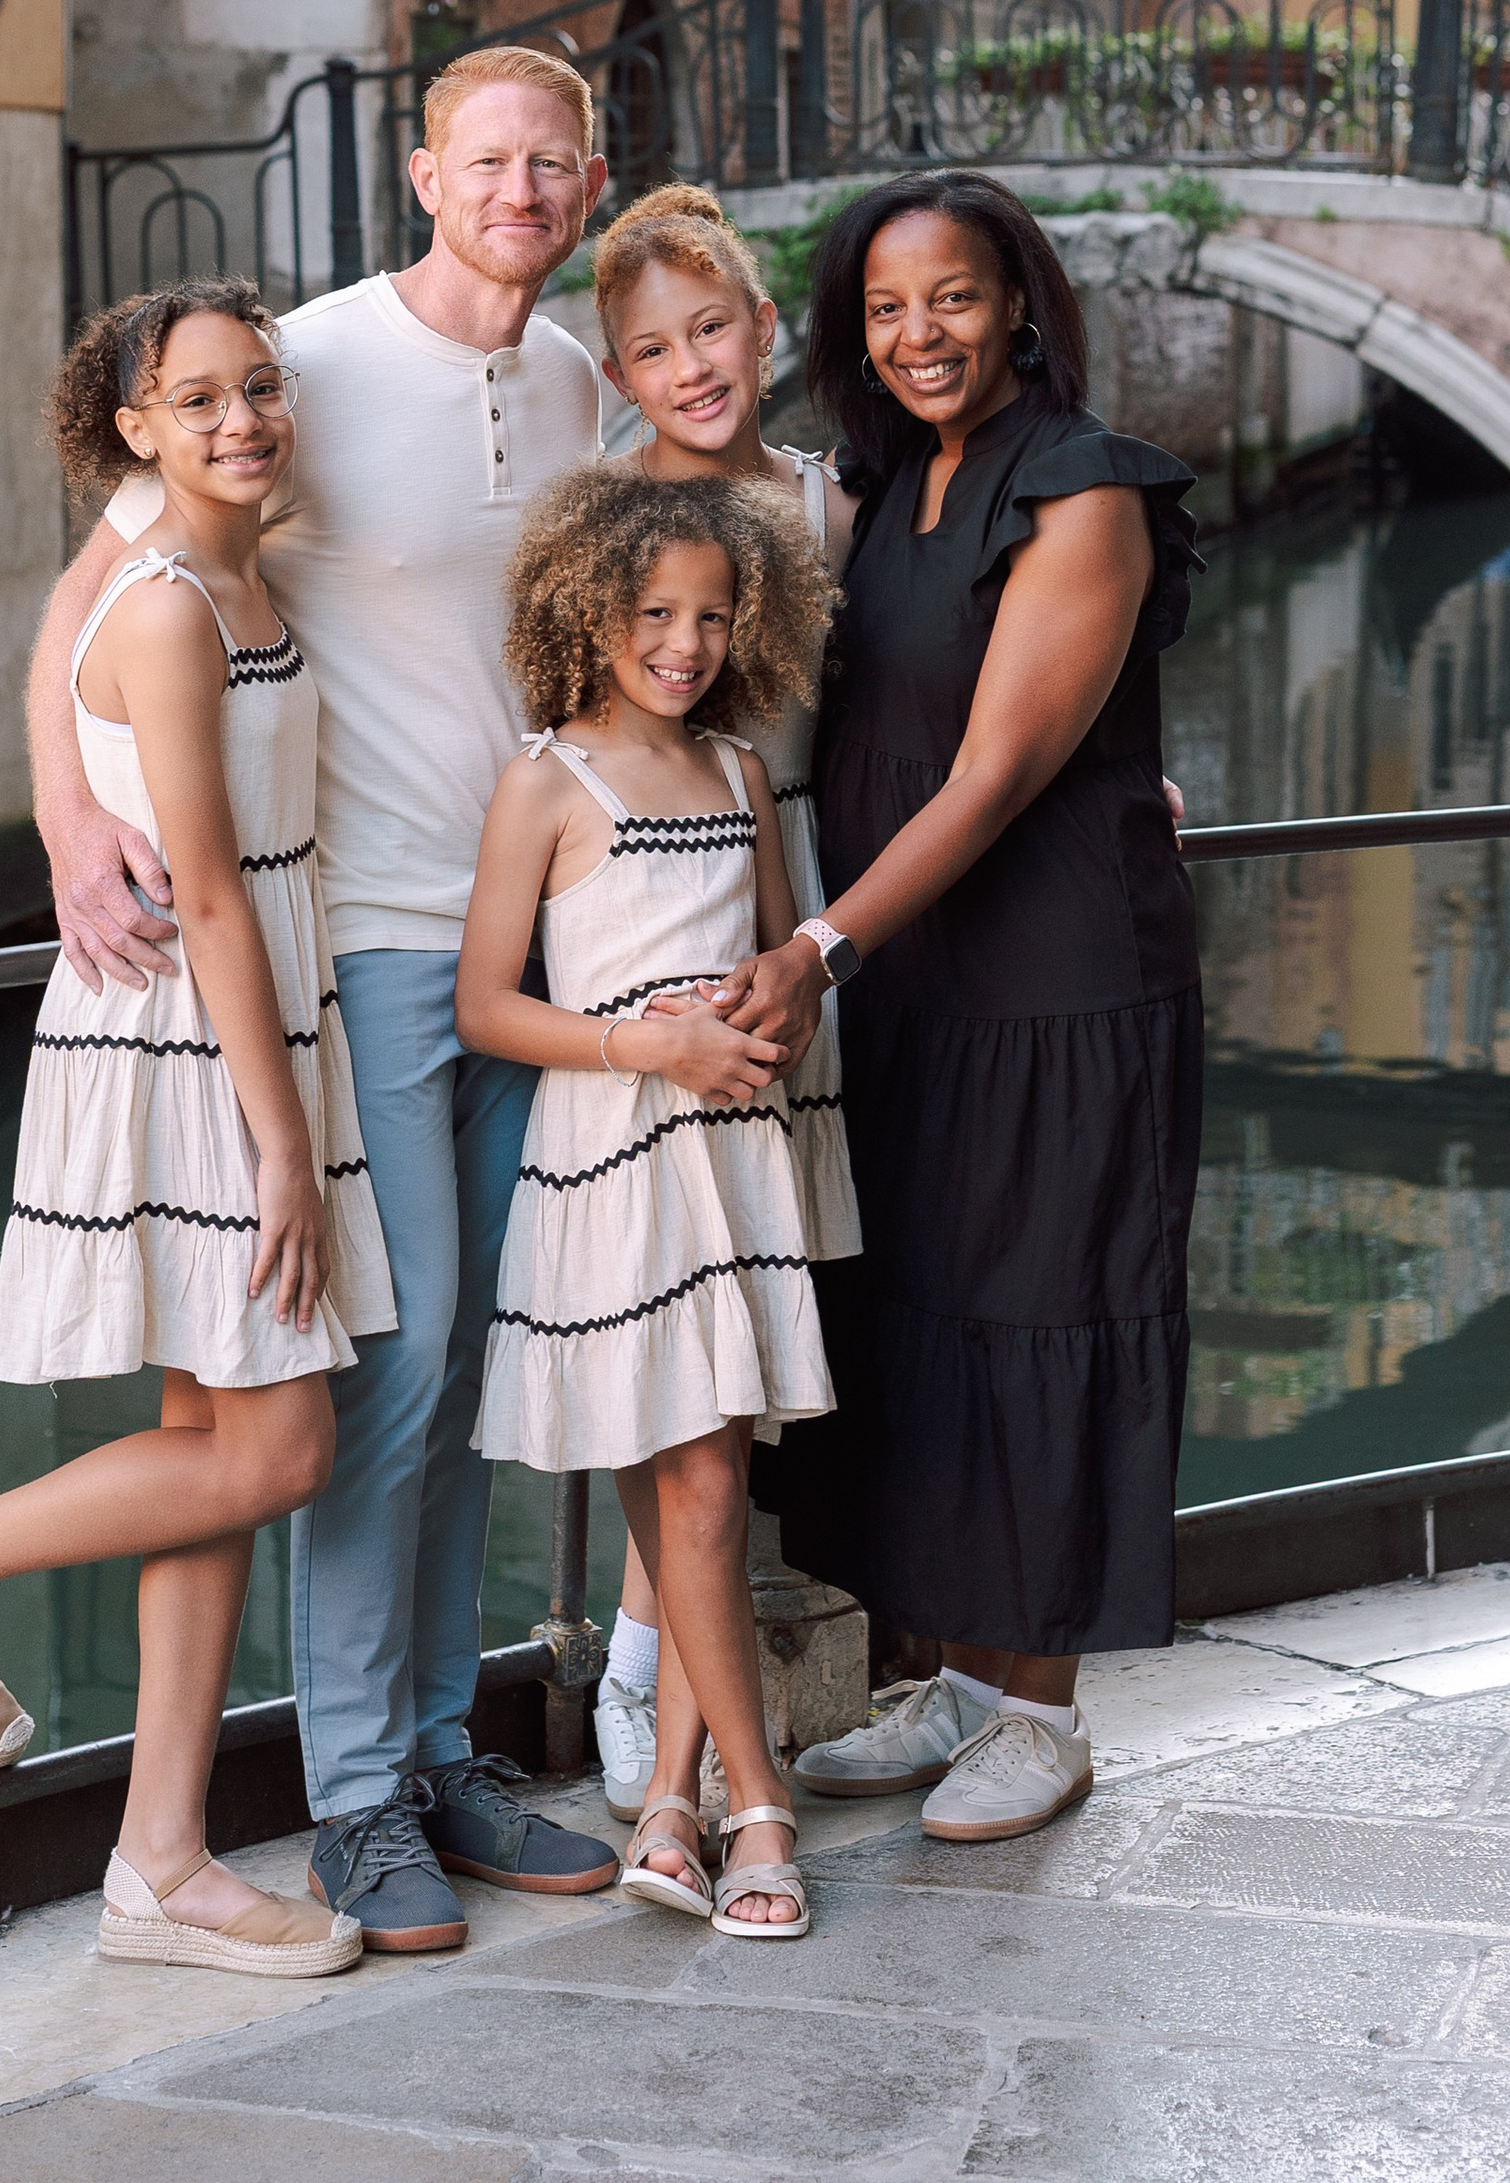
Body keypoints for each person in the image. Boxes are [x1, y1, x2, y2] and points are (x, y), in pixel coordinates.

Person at [23, 48, 619, 1953]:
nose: (520, 191)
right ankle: (354, 1795)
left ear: (589, 182)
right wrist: (68, 820)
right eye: (487, 160)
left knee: (466, 1373)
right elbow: (94, 597)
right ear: (426, 175)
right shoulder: (311, 363)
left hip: (531, 946)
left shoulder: (577, 380)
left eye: (553, 162)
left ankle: (438, 1755)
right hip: (358, 938)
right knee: (394, 1363)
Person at [0, 282, 387, 1977]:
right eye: (197, 400)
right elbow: (206, 893)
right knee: (280, 1451)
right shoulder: (164, 606)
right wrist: (282, 1145)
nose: (241, 421)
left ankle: (160, 1863)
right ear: (134, 431)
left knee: (212, 1444)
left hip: (253, 1019)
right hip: (197, 1041)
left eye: (259, 388)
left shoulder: (239, 567)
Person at [730, 169, 1203, 1846]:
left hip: (1060, 978)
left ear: (1017, 308)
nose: (919, 333)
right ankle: (953, 1680)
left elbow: (999, 769)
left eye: (952, 298)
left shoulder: (1083, 488)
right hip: (913, 970)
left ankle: (1044, 1710)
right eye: (885, 307)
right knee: (924, 1317)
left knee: (1050, 1313)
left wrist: (816, 950)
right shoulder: (875, 485)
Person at [458, 467, 842, 1939]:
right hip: (612, 1164)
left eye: (712, 617)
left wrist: (759, 1016)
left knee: (707, 1492)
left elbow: (784, 973)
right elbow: (487, 1006)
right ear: (587, 610)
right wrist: (648, 1045)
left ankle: (680, 1804)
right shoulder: (547, 783)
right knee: (688, 1492)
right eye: (654, 614)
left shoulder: (742, 777)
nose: (684, 643)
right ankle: (760, 1806)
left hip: (731, 1163)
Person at [581, 185, 859, 1815]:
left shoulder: (826, 506)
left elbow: (946, 679)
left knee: (748, 1332)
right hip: (653, 932)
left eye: (712, 330)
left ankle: (674, 1687)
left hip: (801, 916)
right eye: (652, 349)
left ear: (763, 330)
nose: (691, 367)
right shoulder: (603, 516)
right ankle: (640, 1663)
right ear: (619, 373)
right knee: (673, 1323)